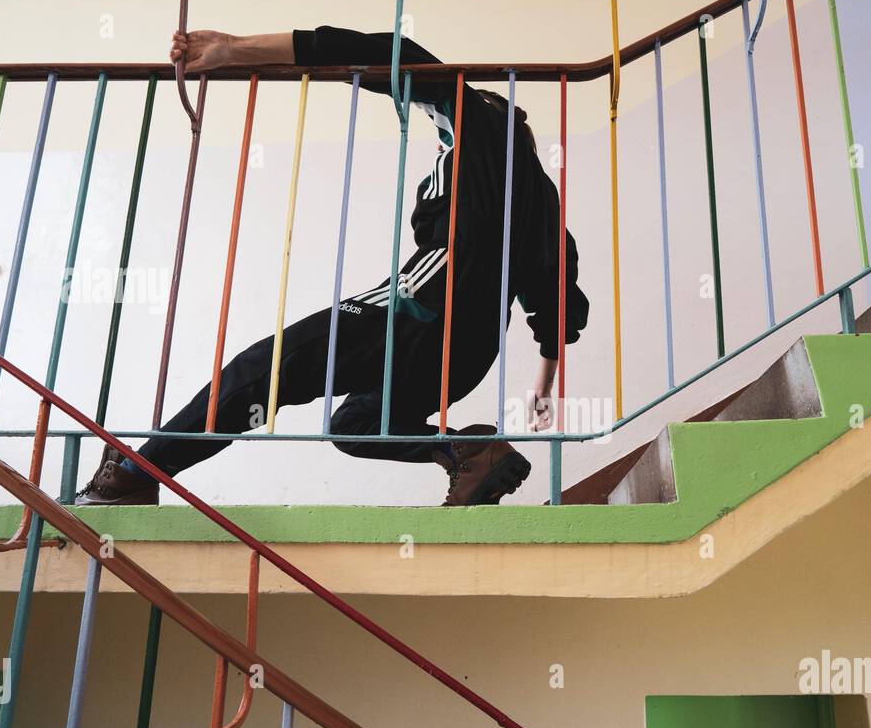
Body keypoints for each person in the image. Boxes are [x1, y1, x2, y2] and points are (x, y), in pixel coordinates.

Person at [76, 25, 589, 507]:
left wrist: (236, 49)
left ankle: (136, 473)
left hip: (418, 314)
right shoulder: (544, 211)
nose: (438, 137)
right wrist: (541, 390)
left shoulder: (475, 123)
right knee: (356, 421)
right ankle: (467, 452)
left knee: (264, 369)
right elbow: (559, 308)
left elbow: (390, 51)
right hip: (468, 357)